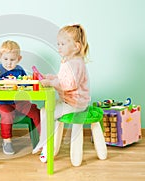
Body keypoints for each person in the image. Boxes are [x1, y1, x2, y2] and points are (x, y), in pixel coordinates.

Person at [32, 24, 107, 166]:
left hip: (76, 104)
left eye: (63, 44)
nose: (59, 47)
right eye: (58, 44)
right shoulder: (69, 61)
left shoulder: (76, 64)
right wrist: (52, 77)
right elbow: (63, 79)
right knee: (45, 111)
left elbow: (68, 85)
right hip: (70, 102)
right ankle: (47, 145)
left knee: (47, 113)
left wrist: (51, 83)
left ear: (76, 47)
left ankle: (45, 147)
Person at [0, 40, 41, 155]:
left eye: (12, 60)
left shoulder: (19, 70)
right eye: (5, 59)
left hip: (20, 102)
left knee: (36, 111)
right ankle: (7, 141)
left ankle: (43, 138)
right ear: (0, 57)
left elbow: (26, 83)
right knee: (7, 115)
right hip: (4, 103)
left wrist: (29, 82)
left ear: (19, 59)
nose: (9, 63)